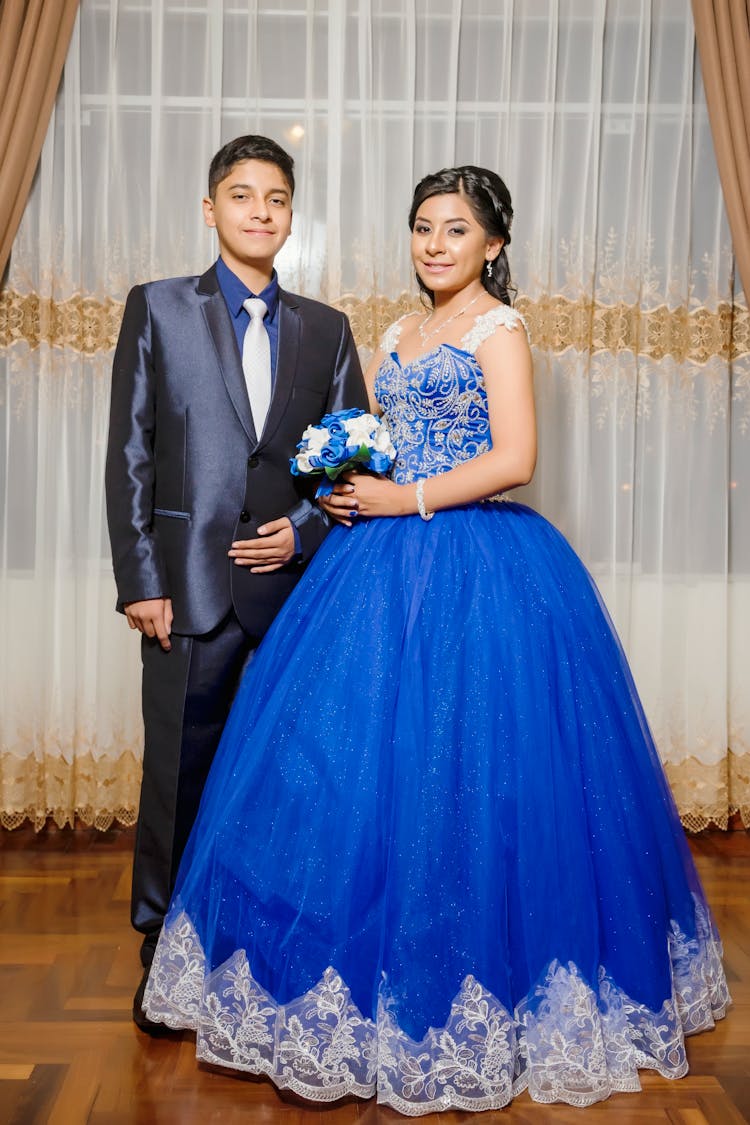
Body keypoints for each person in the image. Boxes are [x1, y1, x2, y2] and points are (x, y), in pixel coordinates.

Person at [140, 166, 729, 1113]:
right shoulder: (402, 334)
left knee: (482, 767)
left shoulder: (502, 329)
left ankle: (480, 978)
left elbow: (517, 458)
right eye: (422, 227)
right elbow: (390, 442)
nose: (435, 245)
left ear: (494, 243)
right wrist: (348, 485)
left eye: (456, 229)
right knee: (347, 769)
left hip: (481, 564)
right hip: (380, 565)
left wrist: (400, 495)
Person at [104, 134, 367, 1030]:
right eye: (243, 195)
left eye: (278, 198)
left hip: (296, 594)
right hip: (183, 591)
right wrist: (141, 576)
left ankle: (265, 940)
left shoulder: (328, 329)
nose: (261, 211)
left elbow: (351, 461)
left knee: (299, 774)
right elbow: (131, 453)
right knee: (179, 771)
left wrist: (298, 531)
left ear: (293, 216)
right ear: (210, 209)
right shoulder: (158, 308)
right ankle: (161, 946)